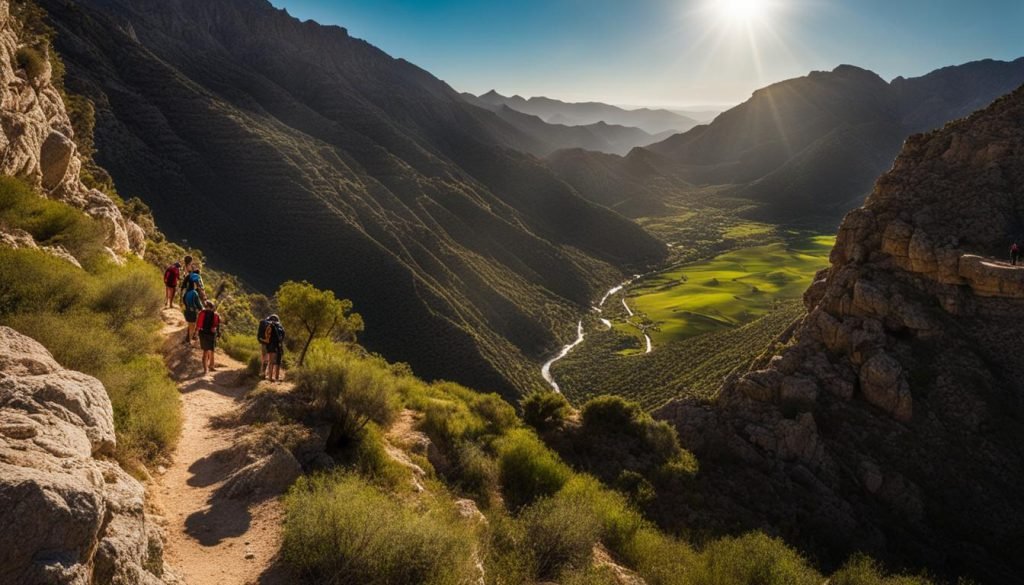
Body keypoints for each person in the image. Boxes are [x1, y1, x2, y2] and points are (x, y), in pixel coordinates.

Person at [196, 300, 221, 374]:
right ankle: (211, 366)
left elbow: (198, 325)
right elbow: (216, 326)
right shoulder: (216, 315)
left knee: (205, 352)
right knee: (212, 350)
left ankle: (205, 369)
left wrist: (195, 333)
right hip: (211, 335)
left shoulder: (201, 313)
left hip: (203, 334)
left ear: (207, 306)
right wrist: (218, 334)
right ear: (212, 307)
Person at [262, 314, 285, 382]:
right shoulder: (280, 327)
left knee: (271, 361)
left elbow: (266, 336)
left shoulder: (269, 326)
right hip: (278, 345)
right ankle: (277, 377)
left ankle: (270, 378)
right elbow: (283, 337)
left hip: (271, 345)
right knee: (278, 362)